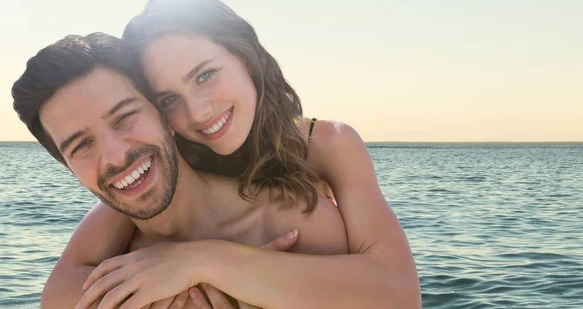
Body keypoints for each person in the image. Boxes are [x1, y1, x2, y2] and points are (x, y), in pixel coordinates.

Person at [24, 0, 421, 308]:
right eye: (168, 99)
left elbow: (397, 293)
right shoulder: (147, 179)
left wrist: (206, 261)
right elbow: (59, 292)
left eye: (206, 75)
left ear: (246, 59)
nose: (197, 112)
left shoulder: (323, 151)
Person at [12, 34, 348, 309]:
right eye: (81, 145)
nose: (115, 156)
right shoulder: (107, 269)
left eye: (125, 117)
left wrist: (213, 265)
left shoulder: (296, 223)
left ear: (166, 116)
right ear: (68, 167)